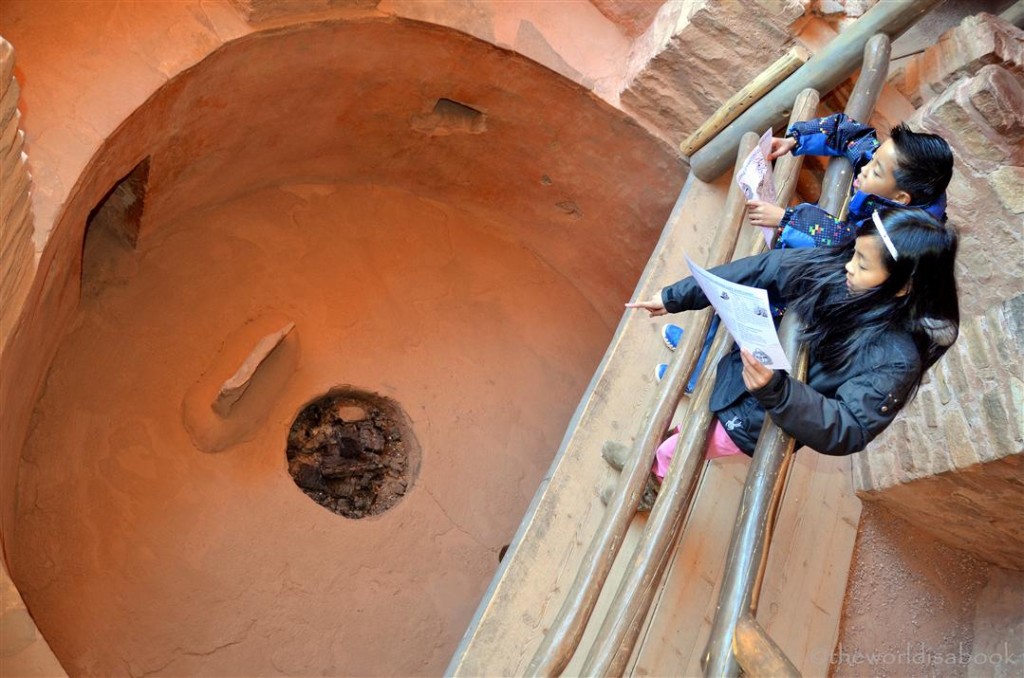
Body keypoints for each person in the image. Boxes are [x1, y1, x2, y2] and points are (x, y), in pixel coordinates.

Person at [609, 208, 959, 508]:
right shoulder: (842, 270)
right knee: (695, 428)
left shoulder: (896, 359)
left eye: (863, 264)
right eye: (854, 253)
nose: (849, 267)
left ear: (902, 287)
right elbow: (767, 267)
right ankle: (653, 460)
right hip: (746, 381)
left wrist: (778, 391)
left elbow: (849, 426)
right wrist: (674, 296)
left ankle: (650, 484)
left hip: (763, 419)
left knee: (687, 448)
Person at [655, 115, 954, 384]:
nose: (865, 167)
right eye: (875, 157)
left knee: (762, 316)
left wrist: (786, 218)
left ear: (901, 198)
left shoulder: (905, 233)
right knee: (747, 291)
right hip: (840, 263)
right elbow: (849, 134)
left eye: (876, 170)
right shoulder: (889, 172)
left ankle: (701, 375)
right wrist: (795, 139)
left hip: (847, 293)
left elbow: (848, 243)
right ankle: (697, 348)